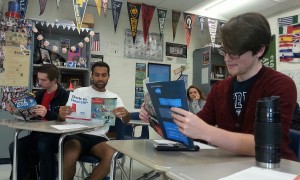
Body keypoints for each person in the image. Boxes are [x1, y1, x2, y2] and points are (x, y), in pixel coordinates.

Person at [139, 12, 297, 161]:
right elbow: (194, 131)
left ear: (260, 50)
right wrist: (155, 120)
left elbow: (265, 144)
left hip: (273, 169)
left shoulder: (280, 85)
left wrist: (206, 131)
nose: (227, 59)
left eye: (234, 53)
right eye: (224, 51)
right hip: (230, 166)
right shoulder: (220, 89)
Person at [59, 61, 130, 180]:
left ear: (108, 76)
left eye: (104, 75)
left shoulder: (114, 97)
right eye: (97, 75)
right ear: (92, 76)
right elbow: (63, 118)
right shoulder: (79, 92)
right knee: (70, 156)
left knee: (112, 155)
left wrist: (126, 114)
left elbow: (126, 121)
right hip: (77, 135)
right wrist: (61, 114)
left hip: (99, 138)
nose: (100, 78)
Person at [8, 64, 69, 180]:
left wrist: (47, 113)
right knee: (15, 146)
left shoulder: (65, 96)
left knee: (43, 146)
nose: (39, 82)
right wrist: (15, 111)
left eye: (43, 80)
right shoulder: (40, 94)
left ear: (54, 80)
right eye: (38, 79)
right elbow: (30, 113)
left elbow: (65, 119)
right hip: (38, 133)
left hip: (56, 136)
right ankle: (22, 177)